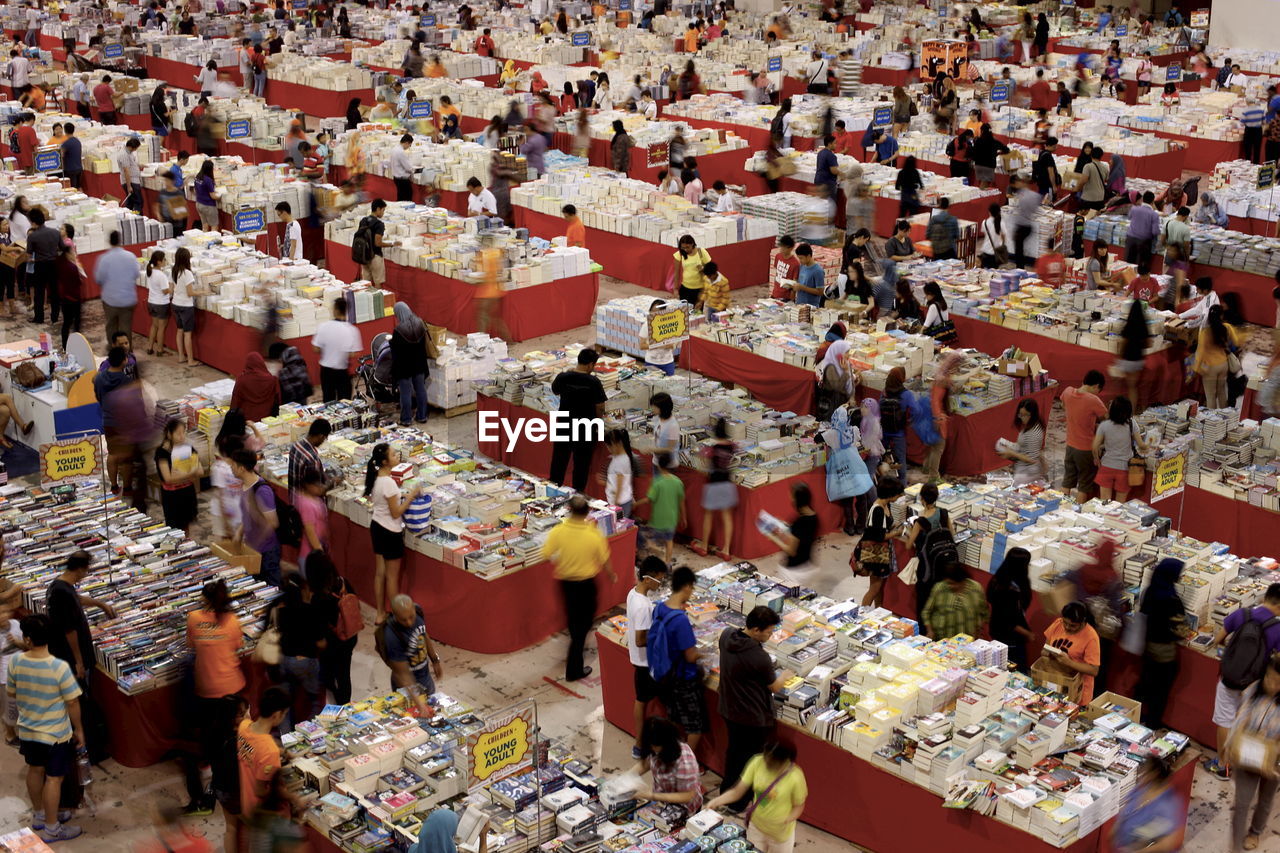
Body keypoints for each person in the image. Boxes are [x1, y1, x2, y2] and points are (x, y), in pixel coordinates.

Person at [7, 614, 84, 842]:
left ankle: (41, 816)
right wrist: (79, 730)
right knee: (54, 779)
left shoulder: (16, 662)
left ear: (28, 639)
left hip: (28, 730)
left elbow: (12, 693)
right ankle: (52, 829)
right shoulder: (58, 667)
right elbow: (72, 702)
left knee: (35, 770)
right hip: (55, 734)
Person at [715, 606, 792, 811]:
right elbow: (774, 687)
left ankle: (726, 794)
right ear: (756, 630)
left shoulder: (727, 635)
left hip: (728, 708)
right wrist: (784, 677)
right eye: (769, 632)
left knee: (733, 754)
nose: (771, 635)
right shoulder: (759, 657)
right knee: (750, 761)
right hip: (751, 716)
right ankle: (739, 802)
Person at [1204, 584, 1280, 780]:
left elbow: (1217, 639)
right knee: (1245, 722)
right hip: (1254, 685)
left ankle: (1223, 765)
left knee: (1224, 720)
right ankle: (1243, 761)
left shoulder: (1241, 614)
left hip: (1229, 678)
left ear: (1265, 597)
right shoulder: (1277, 628)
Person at [182, 580, 243, 816]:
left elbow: (191, 645)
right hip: (230, 688)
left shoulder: (194, 618)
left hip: (206, 688)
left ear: (205, 600)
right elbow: (237, 646)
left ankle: (203, 785)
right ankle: (222, 783)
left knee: (208, 735)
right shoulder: (233, 622)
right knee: (228, 740)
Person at [542, 494, 617, 683]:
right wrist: (611, 575)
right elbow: (604, 559)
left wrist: (563, 559)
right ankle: (574, 669)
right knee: (582, 627)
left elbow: (546, 554)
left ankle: (575, 650)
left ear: (569, 510)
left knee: (575, 622)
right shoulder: (593, 534)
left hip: (566, 584)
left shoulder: (558, 531)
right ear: (587, 512)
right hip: (586, 585)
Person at [707, 740, 806, 853]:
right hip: (756, 827)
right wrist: (716, 801)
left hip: (780, 835)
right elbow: (737, 791)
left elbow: (799, 806)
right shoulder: (757, 762)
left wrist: (786, 819)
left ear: (784, 761)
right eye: (765, 758)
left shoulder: (795, 777)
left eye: (771, 763)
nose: (766, 763)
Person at [648, 567, 705, 749]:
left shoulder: (659, 608)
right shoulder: (680, 621)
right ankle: (688, 762)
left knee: (673, 717)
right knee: (695, 726)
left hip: (665, 675)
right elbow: (690, 656)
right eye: (692, 588)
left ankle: (671, 753)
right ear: (687, 586)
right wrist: (704, 653)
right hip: (683, 679)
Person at [364, 443, 421, 620]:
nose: (398, 456)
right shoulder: (388, 483)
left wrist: (398, 497)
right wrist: (410, 496)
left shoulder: (376, 479)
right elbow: (396, 512)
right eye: (394, 454)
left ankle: (380, 613)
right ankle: (399, 616)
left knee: (380, 573)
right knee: (392, 577)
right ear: (385, 461)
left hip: (377, 526)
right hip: (390, 531)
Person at [1136, 558, 1188, 730]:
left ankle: (1138, 716)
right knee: (1160, 691)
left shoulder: (1150, 591)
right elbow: (1180, 630)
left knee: (1146, 683)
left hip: (1147, 646)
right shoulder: (1172, 600)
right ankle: (1152, 724)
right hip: (1164, 652)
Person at [549, 348, 607, 493]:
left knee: (559, 461)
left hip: (564, 425)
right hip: (585, 428)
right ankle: (578, 494)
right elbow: (600, 406)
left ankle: (553, 490)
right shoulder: (594, 382)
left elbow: (555, 391)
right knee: (581, 465)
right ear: (590, 365)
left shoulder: (564, 377)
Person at [626, 557, 668, 756]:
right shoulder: (642, 606)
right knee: (666, 703)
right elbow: (640, 640)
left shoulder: (633, 594)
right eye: (659, 579)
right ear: (648, 579)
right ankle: (649, 744)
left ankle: (639, 744)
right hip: (647, 662)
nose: (660, 584)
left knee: (641, 699)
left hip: (639, 660)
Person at [1110, 756, 1187, 853]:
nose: (1141, 772)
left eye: (1145, 770)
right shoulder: (1142, 788)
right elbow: (1127, 806)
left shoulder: (1167, 806)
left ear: (1154, 774)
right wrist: (1116, 827)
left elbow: (1167, 843)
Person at [629, 717, 703, 817]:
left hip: (684, 809)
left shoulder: (685, 763)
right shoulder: (656, 747)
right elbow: (647, 763)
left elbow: (688, 796)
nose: (652, 748)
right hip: (663, 801)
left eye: (654, 746)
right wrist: (625, 778)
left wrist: (651, 795)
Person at [236, 686, 287, 819]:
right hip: (263, 812)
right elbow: (260, 791)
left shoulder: (244, 726)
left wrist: (282, 752)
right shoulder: (269, 750)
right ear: (276, 715)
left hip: (246, 801)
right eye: (284, 714)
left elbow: (254, 750)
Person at [1040, 601, 1103, 702]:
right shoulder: (1057, 623)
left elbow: (1094, 670)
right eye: (1065, 623)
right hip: (1055, 681)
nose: (1067, 627)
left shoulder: (1091, 637)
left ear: (1083, 622)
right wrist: (1049, 653)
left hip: (1077, 690)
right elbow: (1044, 650)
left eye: (1073, 625)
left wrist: (1069, 662)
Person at [1061, 371, 1108, 502]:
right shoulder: (1093, 400)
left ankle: (1061, 508)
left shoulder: (1067, 391)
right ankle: (1078, 513)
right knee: (1084, 485)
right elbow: (1107, 420)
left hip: (1070, 445)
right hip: (1086, 449)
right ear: (1096, 386)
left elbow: (1062, 404)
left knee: (1067, 481)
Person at [763, 482, 820, 589]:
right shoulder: (814, 516)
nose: (791, 500)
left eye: (792, 497)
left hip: (794, 571)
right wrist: (786, 526)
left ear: (798, 500)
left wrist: (774, 538)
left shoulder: (800, 522)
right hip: (808, 564)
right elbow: (802, 535)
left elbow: (791, 550)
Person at [987, 548, 1033, 671]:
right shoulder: (1006, 589)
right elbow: (1007, 620)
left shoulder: (1000, 579)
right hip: (1008, 635)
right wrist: (1027, 633)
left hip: (1003, 629)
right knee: (1012, 666)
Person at [155, 417, 201, 534]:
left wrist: (182, 475)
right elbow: (168, 479)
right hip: (172, 496)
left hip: (187, 492)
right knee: (174, 528)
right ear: (169, 434)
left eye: (183, 433)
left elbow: (200, 471)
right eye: (178, 433)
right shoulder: (162, 452)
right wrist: (190, 474)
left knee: (187, 525)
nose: (182, 436)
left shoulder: (188, 448)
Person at [922, 561, 989, 640]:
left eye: (953, 583)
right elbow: (926, 612)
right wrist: (930, 631)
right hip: (943, 640)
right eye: (948, 583)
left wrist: (978, 631)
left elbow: (984, 612)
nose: (950, 586)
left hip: (967, 640)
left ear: (962, 580)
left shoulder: (976, 588)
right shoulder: (939, 588)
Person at [312, 297, 361, 402]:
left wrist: (329, 350)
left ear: (336, 310)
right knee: (345, 401)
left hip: (326, 371)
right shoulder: (352, 330)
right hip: (342, 371)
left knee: (328, 399)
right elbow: (353, 353)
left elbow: (315, 348)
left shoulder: (323, 327)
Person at [391, 302, 430, 425]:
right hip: (419, 363)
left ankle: (406, 419)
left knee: (405, 393)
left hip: (404, 367)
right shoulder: (420, 324)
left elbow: (395, 352)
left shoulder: (398, 330)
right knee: (421, 390)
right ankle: (422, 415)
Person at [1195, 304, 1240, 410]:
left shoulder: (1205, 332)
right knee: (1222, 392)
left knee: (1210, 396)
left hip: (1210, 367)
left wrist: (1196, 368)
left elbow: (1201, 351)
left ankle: (1213, 422)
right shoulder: (1227, 327)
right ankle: (1224, 416)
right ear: (1221, 316)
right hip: (1223, 364)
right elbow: (1237, 341)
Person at [24, 208, 61, 325]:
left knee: (39, 293)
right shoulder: (55, 232)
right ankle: (55, 317)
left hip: (40, 266)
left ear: (32, 222)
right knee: (54, 292)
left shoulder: (32, 236)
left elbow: (29, 255)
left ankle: (39, 317)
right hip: (54, 264)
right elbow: (62, 247)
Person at [1001, 397, 1046, 485]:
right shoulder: (1035, 425)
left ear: (1032, 414)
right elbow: (1034, 449)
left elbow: (1030, 459)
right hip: (1027, 470)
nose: (1022, 418)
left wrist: (1011, 453)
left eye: (1025, 415)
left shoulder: (1032, 432)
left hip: (1026, 473)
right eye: (1020, 414)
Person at [230, 353, 280, 422]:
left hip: (247, 420)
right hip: (267, 418)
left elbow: (235, 401)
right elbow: (277, 399)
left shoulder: (242, 380)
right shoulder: (272, 380)